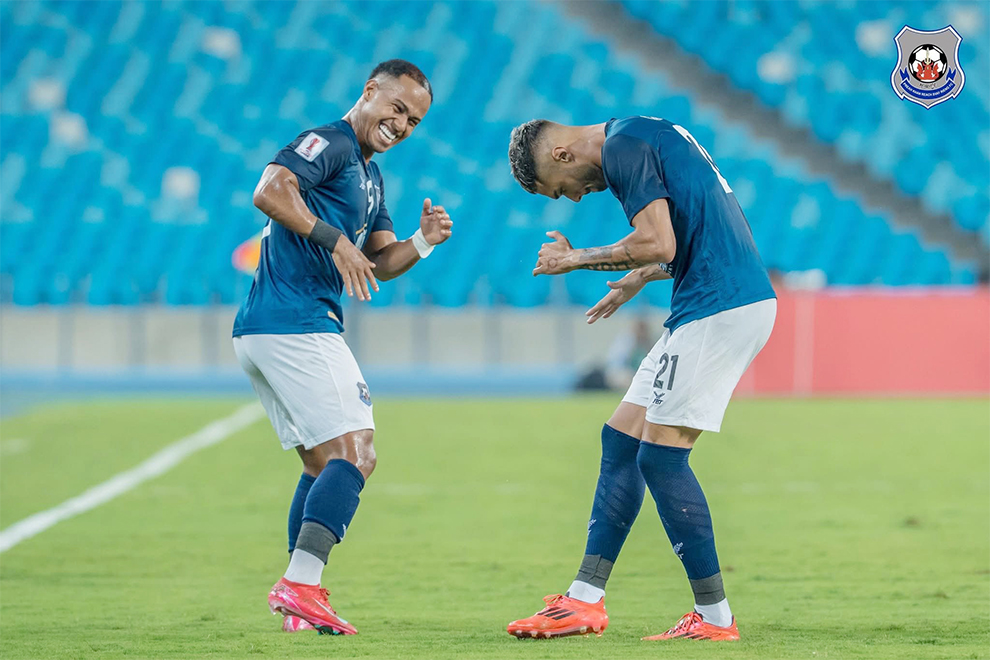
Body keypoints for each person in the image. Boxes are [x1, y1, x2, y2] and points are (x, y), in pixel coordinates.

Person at [504, 115, 776, 641]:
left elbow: (659, 243)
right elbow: (691, 230)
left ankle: (715, 618)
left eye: (561, 191)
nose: (576, 199)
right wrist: (632, 279)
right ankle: (584, 601)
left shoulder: (624, 147)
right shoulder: (643, 132)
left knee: (660, 455)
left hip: (719, 305)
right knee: (622, 439)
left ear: (561, 154)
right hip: (712, 300)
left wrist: (574, 259)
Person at [231, 59, 453, 635]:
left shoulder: (371, 176)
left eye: (414, 120)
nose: (401, 124)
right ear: (369, 91)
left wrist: (421, 244)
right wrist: (333, 241)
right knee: (358, 454)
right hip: (296, 322)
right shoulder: (328, 142)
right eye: (396, 107)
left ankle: (297, 611)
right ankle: (301, 585)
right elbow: (269, 190)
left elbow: (377, 262)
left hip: (268, 327)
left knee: (321, 462)